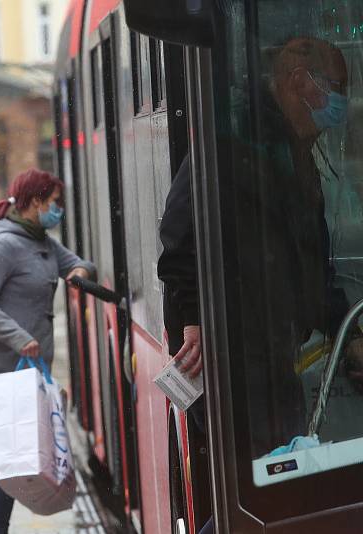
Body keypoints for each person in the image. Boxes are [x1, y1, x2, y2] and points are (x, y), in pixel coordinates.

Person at [158, 36, 350, 534]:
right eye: (334, 88)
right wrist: (194, 319)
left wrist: (345, 328)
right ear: (297, 81)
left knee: (277, 489)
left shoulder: (289, 145)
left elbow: (309, 254)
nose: (339, 104)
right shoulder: (237, 137)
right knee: (259, 499)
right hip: (235, 357)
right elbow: (180, 237)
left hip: (268, 351)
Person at [0, 169, 95, 534]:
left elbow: (81, 265)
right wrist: (19, 336)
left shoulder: (41, 240)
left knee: (20, 453)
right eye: (55, 203)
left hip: (28, 373)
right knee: (18, 458)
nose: (59, 211)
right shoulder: (5, 244)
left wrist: (80, 273)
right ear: (36, 202)